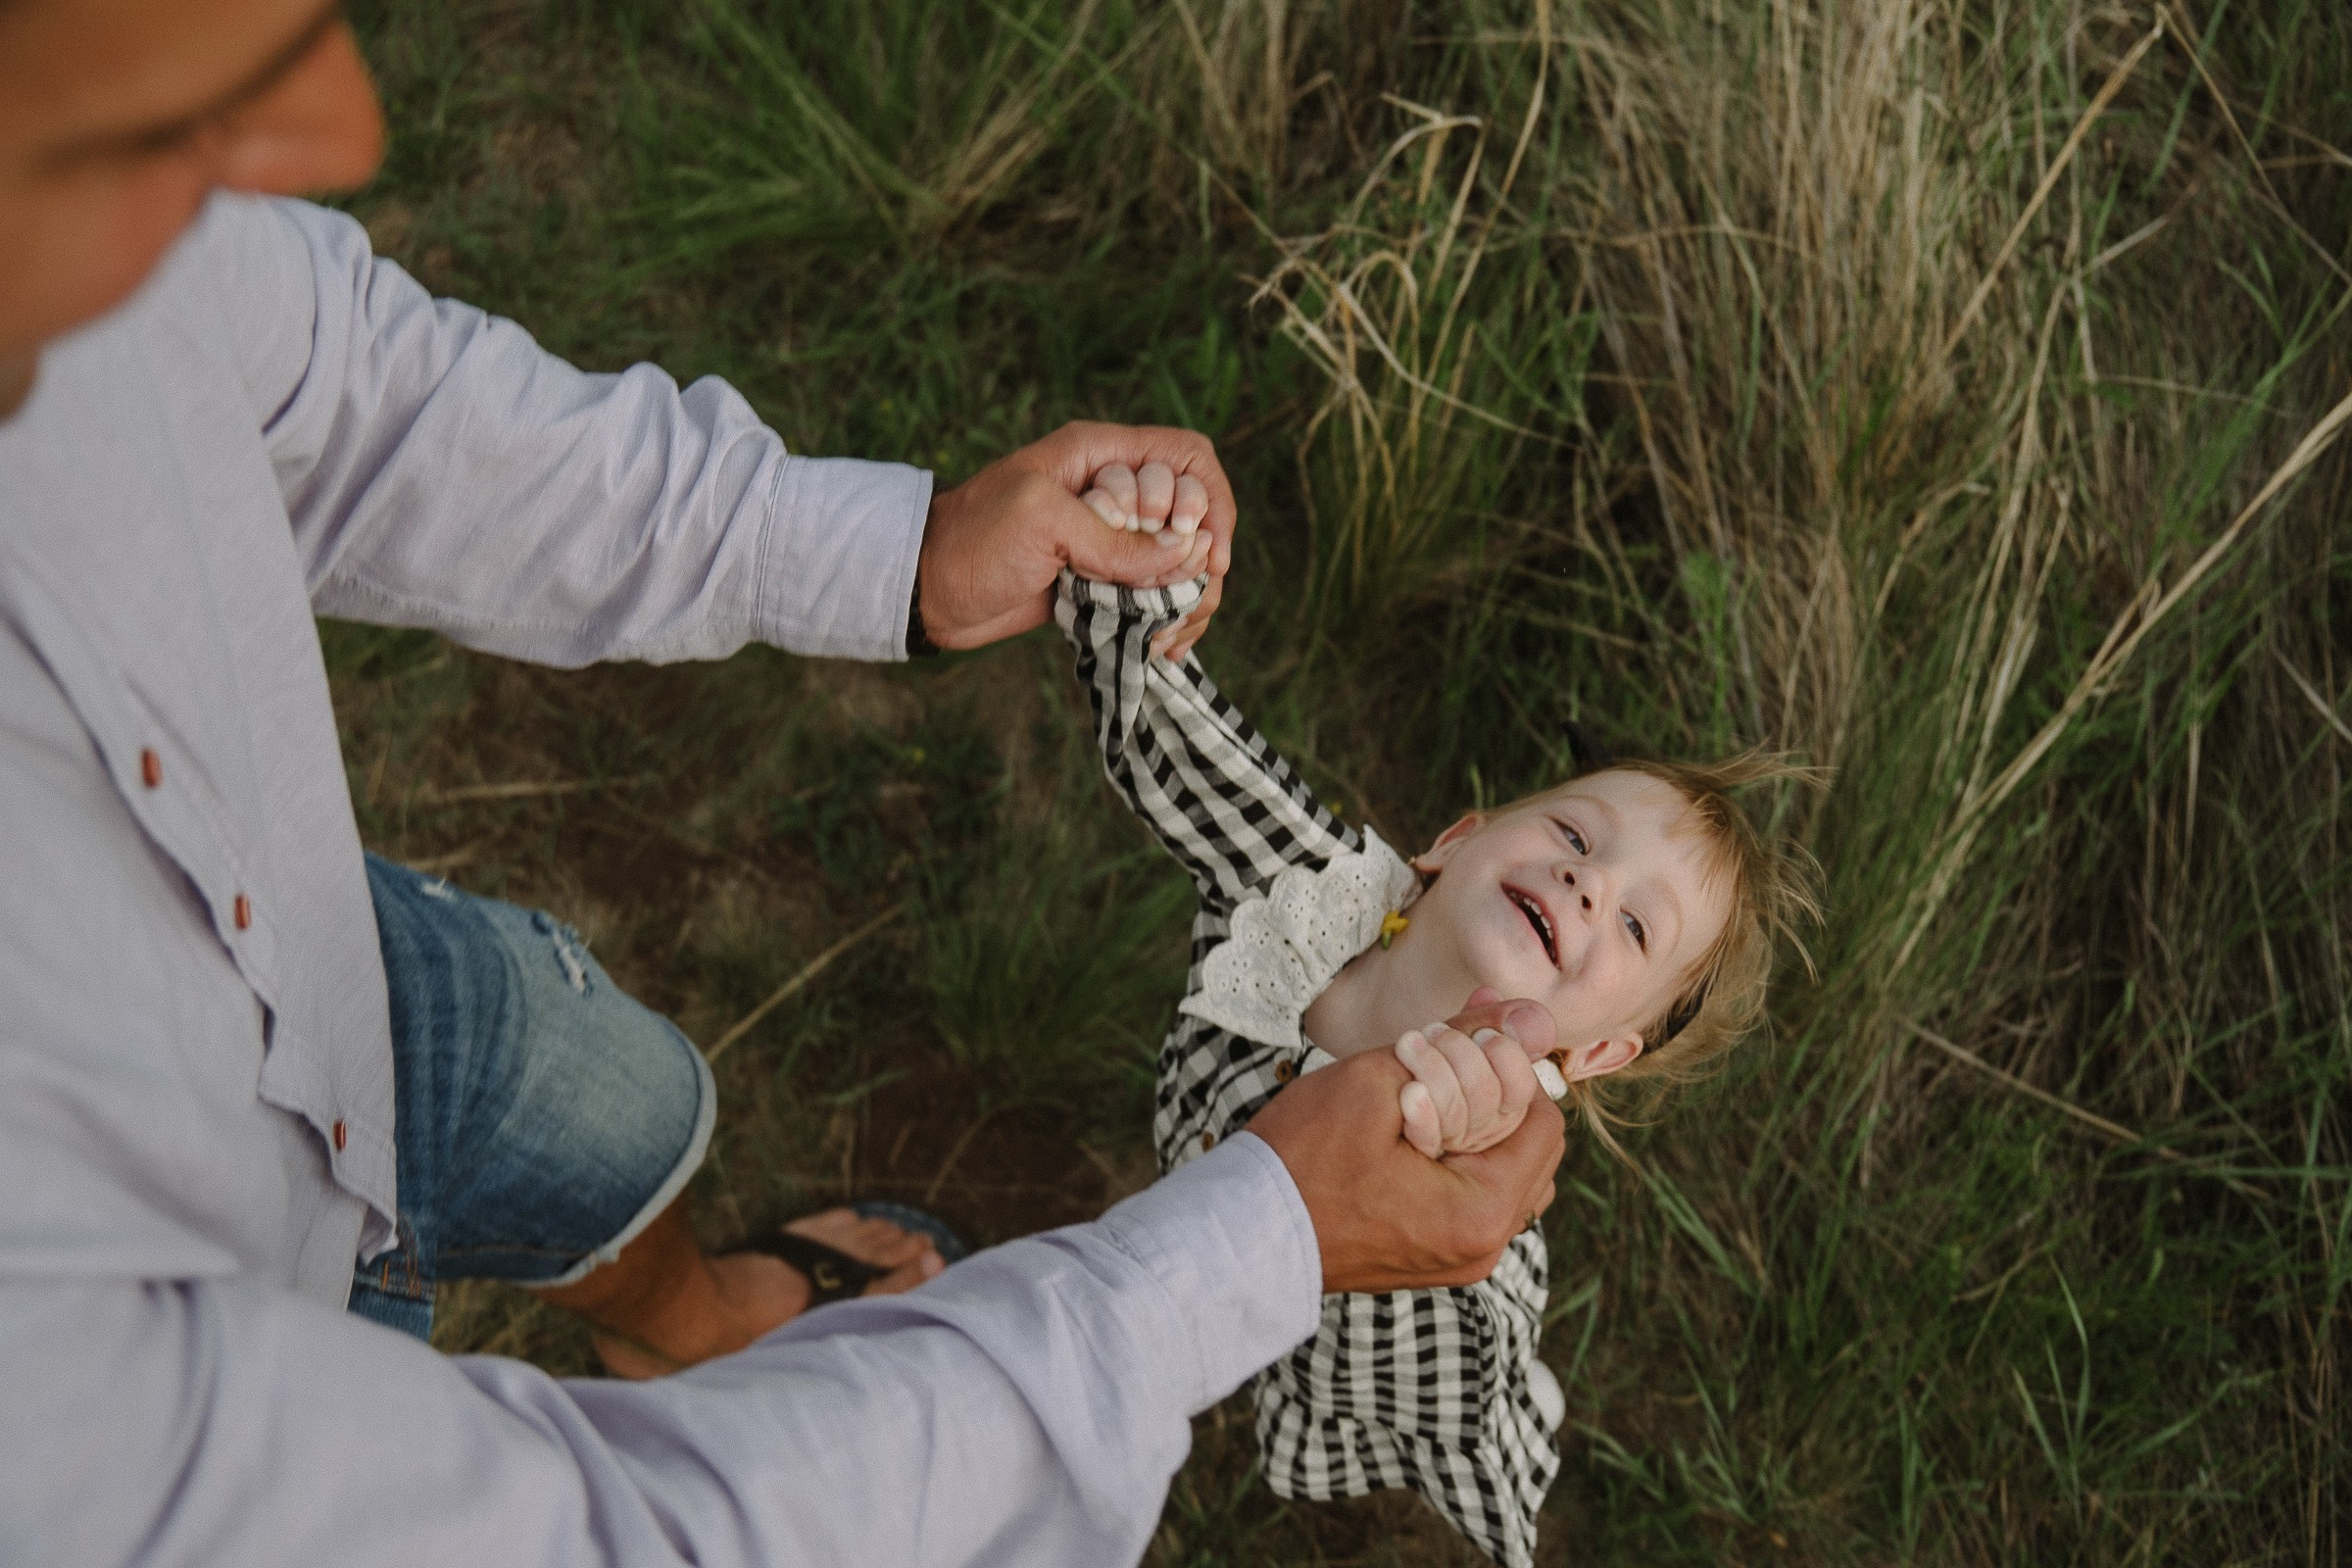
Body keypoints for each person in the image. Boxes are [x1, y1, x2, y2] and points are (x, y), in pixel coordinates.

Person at [0, 3, 1570, 1564]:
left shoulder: (98, 261)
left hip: (323, 958)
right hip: (248, 1302)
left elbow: (345, 394)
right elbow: (639, 1534)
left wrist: (903, 554)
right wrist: (1262, 1240)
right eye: (120, 114)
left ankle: (685, 1318)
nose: (343, 136)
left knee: (609, 1102)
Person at [1052, 539, 1816, 1565]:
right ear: (1455, 841)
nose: (1591, 885)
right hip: (1188, 1165)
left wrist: (1432, 1161)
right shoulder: (1311, 895)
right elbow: (1182, 740)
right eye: (1577, 838)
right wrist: (1139, 577)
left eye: (1639, 928)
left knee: (1356, 1430)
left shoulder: (1475, 1180)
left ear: (1596, 1053)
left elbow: (1435, 1364)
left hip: (1348, 1350)